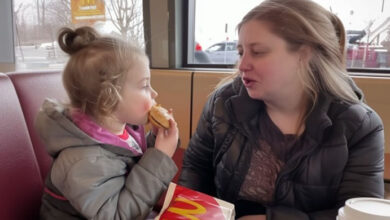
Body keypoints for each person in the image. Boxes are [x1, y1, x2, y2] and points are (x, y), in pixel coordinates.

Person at [179, 0, 385, 219]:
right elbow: (196, 170)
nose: (242, 65)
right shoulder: (223, 103)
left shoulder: (359, 126)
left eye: (257, 52)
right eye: (241, 52)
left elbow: (358, 215)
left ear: (304, 54)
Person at [35, 26, 179, 220]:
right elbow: (117, 215)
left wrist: (156, 141)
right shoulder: (83, 161)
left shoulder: (121, 130)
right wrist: (160, 157)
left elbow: (133, 165)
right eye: (144, 85)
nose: (154, 94)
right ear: (109, 99)